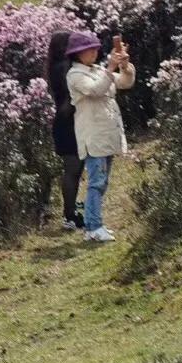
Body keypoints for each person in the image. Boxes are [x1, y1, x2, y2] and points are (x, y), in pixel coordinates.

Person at [66, 30, 135, 243]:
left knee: (102, 182)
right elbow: (95, 90)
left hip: (106, 134)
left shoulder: (96, 70)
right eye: (89, 49)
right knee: (96, 182)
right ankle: (94, 226)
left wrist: (124, 66)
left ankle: (92, 224)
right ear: (78, 53)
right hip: (93, 136)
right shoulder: (75, 75)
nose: (95, 52)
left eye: (96, 48)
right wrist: (111, 67)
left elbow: (124, 82)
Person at [46, 31, 85, 230]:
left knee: (73, 171)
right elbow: (72, 96)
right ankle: (69, 216)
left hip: (64, 123)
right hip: (69, 123)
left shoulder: (54, 66)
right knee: (72, 170)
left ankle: (71, 212)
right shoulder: (65, 68)